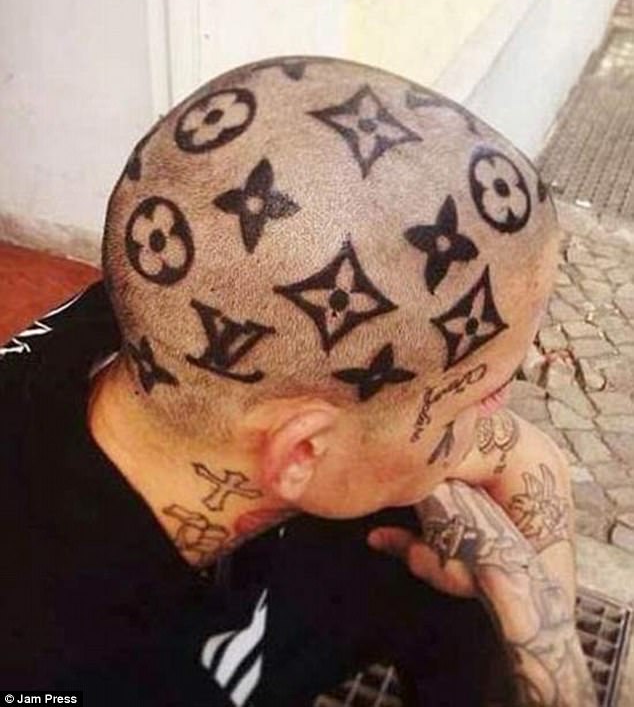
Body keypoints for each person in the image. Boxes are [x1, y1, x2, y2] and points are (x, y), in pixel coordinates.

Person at [1, 56, 596, 706]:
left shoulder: (188, 316)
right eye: (478, 394)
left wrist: (540, 606)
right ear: (303, 451)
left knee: (464, 554)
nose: (497, 412)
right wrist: (559, 673)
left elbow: (524, 456)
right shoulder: (58, 660)